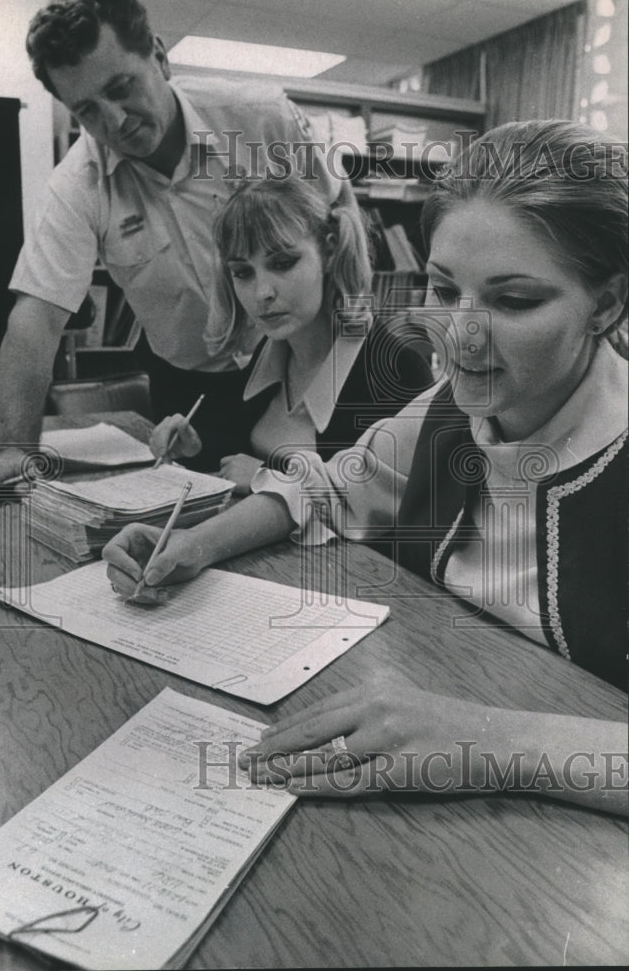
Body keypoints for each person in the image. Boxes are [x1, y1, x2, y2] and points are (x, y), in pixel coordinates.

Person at [103, 121, 628, 815]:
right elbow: (319, 487)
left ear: (608, 303)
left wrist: (480, 736)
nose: (459, 336)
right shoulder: (444, 412)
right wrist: (192, 546)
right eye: (444, 292)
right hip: (443, 773)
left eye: (513, 301)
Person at [0, 0, 336, 512]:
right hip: (191, 389)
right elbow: (35, 321)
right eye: (88, 111)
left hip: (301, 363)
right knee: (204, 520)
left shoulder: (261, 119)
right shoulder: (77, 184)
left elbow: (341, 225)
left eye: (122, 87)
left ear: (159, 56)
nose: (116, 121)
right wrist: (14, 449)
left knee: (329, 514)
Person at [150, 172, 432, 490]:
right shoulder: (271, 349)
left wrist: (268, 478)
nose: (262, 293)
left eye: (283, 263)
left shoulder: (400, 371)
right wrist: (195, 450)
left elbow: (389, 514)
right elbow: (241, 457)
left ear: (329, 252)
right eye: (243, 272)